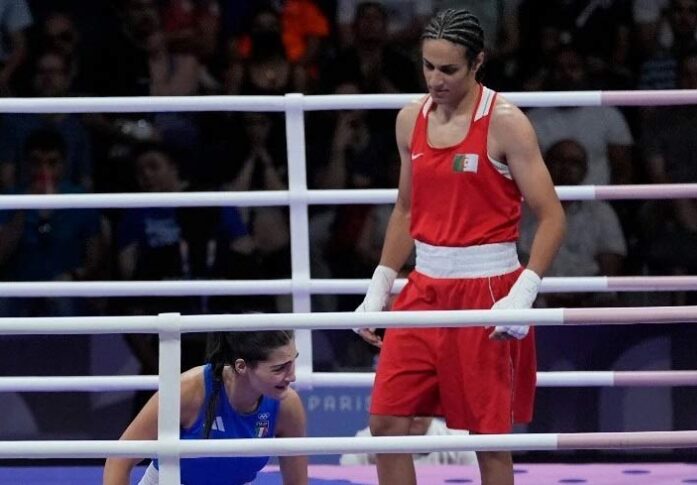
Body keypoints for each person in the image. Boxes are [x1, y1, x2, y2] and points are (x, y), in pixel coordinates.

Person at [354, 9, 565, 485]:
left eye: (448, 69)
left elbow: (552, 216)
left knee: (487, 442)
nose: (435, 79)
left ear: (477, 63)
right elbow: (407, 209)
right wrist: (380, 284)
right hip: (424, 289)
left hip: (489, 291)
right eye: (428, 66)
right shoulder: (410, 119)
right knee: (386, 425)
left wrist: (524, 292)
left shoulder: (507, 123)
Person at [103, 330, 307, 485]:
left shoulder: (287, 405)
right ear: (241, 366)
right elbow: (119, 460)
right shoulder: (187, 392)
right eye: (279, 368)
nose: (292, 376)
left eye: (292, 363)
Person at [340, 417, 478, 465]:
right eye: (411, 408)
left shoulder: (459, 440)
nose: (417, 416)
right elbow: (348, 465)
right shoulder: (367, 442)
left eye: (422, 407)